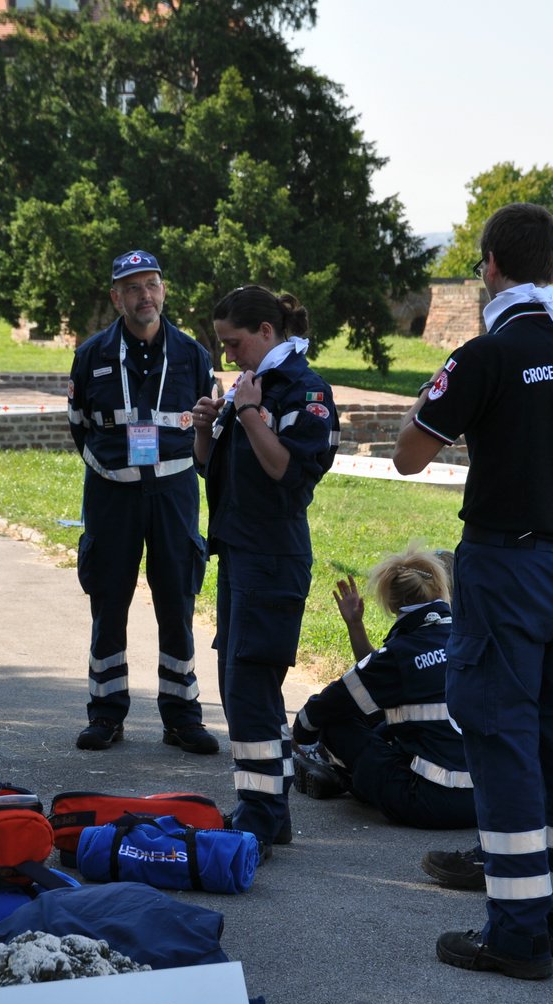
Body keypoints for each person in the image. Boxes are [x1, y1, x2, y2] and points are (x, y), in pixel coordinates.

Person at [392, 203, 553, 979]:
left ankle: (517, 932)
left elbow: (407, 456)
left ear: (490, 266)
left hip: (506, 569)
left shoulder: (486, 355)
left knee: (502, 744)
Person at [191, 284, 339, 855]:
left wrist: (250, 413)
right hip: (240, 553)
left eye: (235, 343)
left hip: (273, 557)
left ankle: (262, 811)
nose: (229, 356)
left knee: (251, 683)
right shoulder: (251, 386)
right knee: (239, 684)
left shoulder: (304, 390)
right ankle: (266, 808)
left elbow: (287, 472)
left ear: (267, 332)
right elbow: (216, 471)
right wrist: (208, 426)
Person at [67, 250, 221, 755]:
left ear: (164, 290)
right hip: (111, 490)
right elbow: (79, 423)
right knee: (108, 599)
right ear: (116, 297)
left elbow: (209, 424)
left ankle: (182, 715)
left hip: (174, 491)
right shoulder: (91, 354)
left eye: (151, 284)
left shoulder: (193, 354)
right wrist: (113, 465)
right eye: (132, 288)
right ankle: (106, 713)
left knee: (177, 597)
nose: (144, 296)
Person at [290, 546, 476, 830]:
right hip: (486, 799)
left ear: (391, 604)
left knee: (339, 721)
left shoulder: (399, 654)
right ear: (442, 590)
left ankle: (339, 772)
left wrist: (301, 735)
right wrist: (355, 625)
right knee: (387, 718)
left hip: (428, 803)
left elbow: (326, 705)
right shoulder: (469, 642)